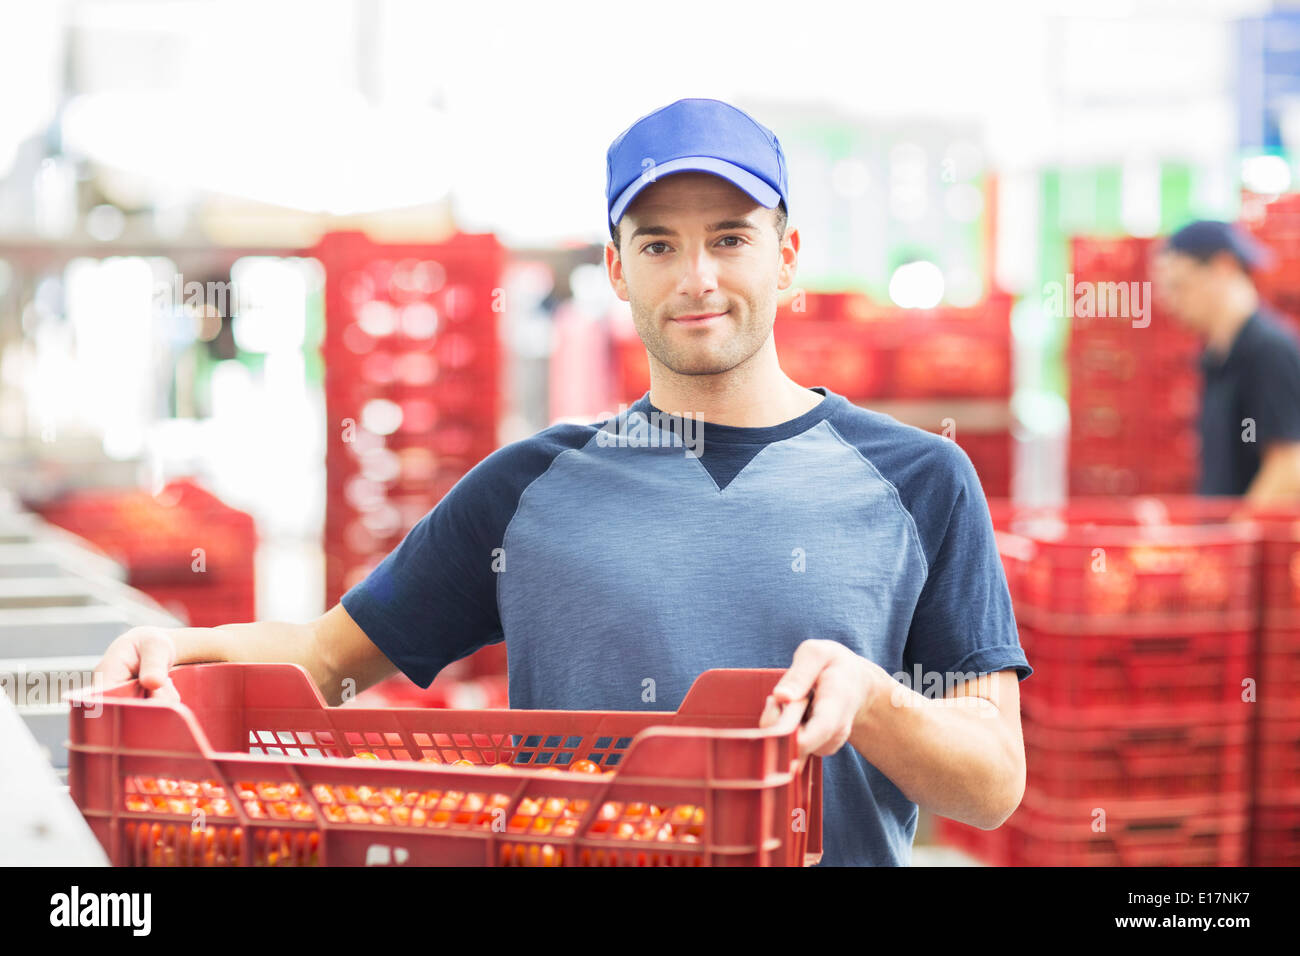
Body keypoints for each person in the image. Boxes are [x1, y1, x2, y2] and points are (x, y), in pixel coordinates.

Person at [95, 98, 1031, 866]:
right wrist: (179, 651)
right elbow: (331, 659)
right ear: (618, 271)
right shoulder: (529, 491)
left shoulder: (920, 481)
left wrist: (873, 699)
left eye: (731, 237)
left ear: (785, 257)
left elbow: (991, 782)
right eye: (659, 244)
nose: (697, 276)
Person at [1153, 219, 1300, 503]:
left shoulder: (1268, 351)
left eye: (1179, 286)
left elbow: (1288, 467)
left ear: (1223, 268)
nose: (1171, 303)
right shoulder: (1216, 356)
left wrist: (1231, 538)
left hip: (1250, 543)